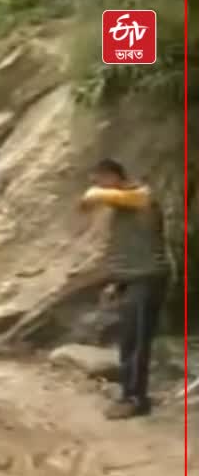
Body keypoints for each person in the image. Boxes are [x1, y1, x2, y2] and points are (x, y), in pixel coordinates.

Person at [79, 158, 169, 420]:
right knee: (128, 341)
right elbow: (125, 250)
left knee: (137, 342)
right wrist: (115, 282)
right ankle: (130, 393)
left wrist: (93, 194)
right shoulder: (120, 208)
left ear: (113, 177)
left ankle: (135, 399)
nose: (97, 187)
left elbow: (97, 196)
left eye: (99, 180)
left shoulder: (142, 196)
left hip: (147, 278)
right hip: (131, 279)